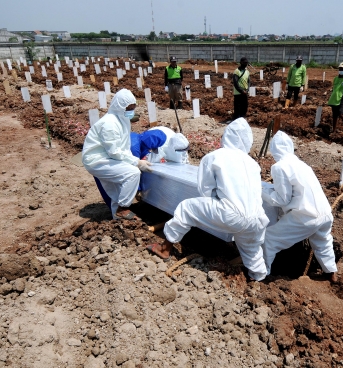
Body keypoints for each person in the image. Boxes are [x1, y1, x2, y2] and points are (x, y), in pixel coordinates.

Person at [147, 118, 270, 281]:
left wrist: (214, 207)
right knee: (252, 251)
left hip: (231, 214)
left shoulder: (215, 157)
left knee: (186, 208)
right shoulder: (253, 164)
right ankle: (259, 281)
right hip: (257, 219)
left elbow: (205, 189)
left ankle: (164, 248)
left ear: (226, 136)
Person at [261, 131, 338, 282]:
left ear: (274, 150)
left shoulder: (280, 167)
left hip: (306, 216)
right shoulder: (303, 164)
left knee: (269, 239)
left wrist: (261, 191)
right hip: (325, 213)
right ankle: (331, 272)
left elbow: (282, 199)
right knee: (322, 241)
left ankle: (262, 275)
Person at [82, 89, 154, 220]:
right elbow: (114, 151)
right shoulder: (110, 123)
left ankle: (119, 221)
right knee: (132, 173)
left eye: (133, 107)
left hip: (106, 157)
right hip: (97, 160)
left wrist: (133, 160)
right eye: (128, 108)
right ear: (119, 106)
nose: (131, 111)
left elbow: (123, 147)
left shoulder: (122, 120)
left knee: (117, 193)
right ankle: (123, 209)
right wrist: (136, 163)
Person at [94, 129, 167, 211]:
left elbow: (142, 153)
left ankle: (119, 211)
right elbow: (133, 170)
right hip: (103, 165)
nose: (151, 149)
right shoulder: (133, 147)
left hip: (111, 162)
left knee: (118, 190)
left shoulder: (138, 138)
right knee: (112, 191)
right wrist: (138, 189)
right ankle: (118, 216)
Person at [327, 62, 343, 132]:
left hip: (342, 98)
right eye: (340, 68)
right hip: (334, 99)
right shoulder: (335, 78)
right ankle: (334, 129)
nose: (341, 70)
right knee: (334, 115)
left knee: (341, 114)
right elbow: (334, 89)